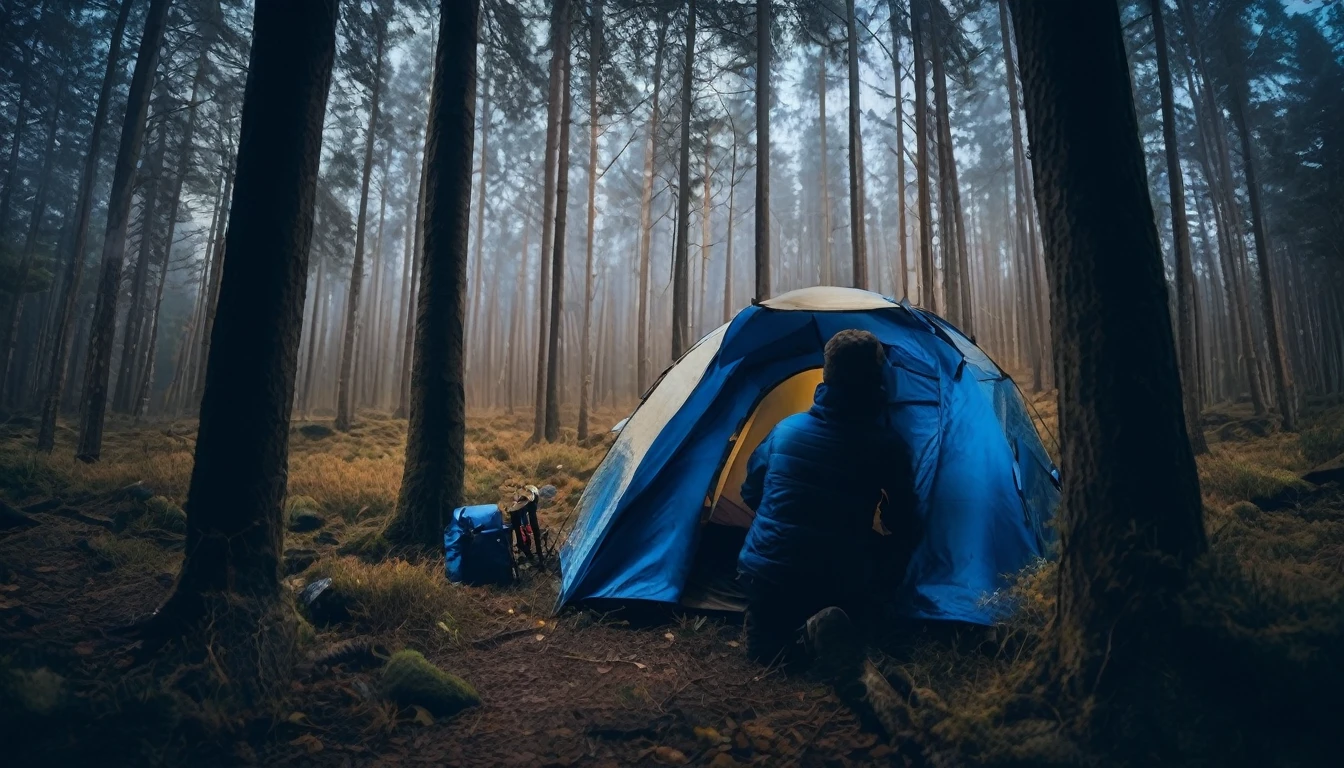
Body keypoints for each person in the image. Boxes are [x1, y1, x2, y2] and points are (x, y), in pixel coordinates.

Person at [737, 329, 920, 669]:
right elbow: (904, 523)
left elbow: (750, 493)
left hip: (764, 577)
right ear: (877, 378)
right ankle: (846, 625)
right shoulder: (886, 445)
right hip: (837, 578)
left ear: (826, 374)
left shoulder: (786, 429)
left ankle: (772, 629)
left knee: (770, 650)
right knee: (895, 546)